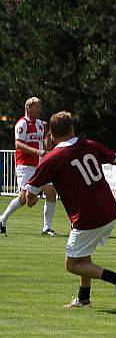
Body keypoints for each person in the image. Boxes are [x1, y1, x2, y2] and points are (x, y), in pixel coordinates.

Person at [24, 111, 116, 308]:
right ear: (72, 128)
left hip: (88, 217)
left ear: (51, 135)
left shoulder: (52, 158)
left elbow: (29, 200)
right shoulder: (89, 144)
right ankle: (84, 298)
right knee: (83, 254)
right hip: (109, 210)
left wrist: (28, 193)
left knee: (72, 264)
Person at [0, 97, 59, 236]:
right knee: (24, 198)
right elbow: (18, 144)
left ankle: (47, 228)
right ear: (28, 108)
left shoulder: (40, 124)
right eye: (36, 107)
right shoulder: (22, 124)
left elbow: (45, 140)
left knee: (51, 191)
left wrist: (48, 139)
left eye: (40, 107)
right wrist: (38, 151)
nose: (39, 109)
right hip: (25, 166)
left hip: (39, 165)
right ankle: (2, 219)